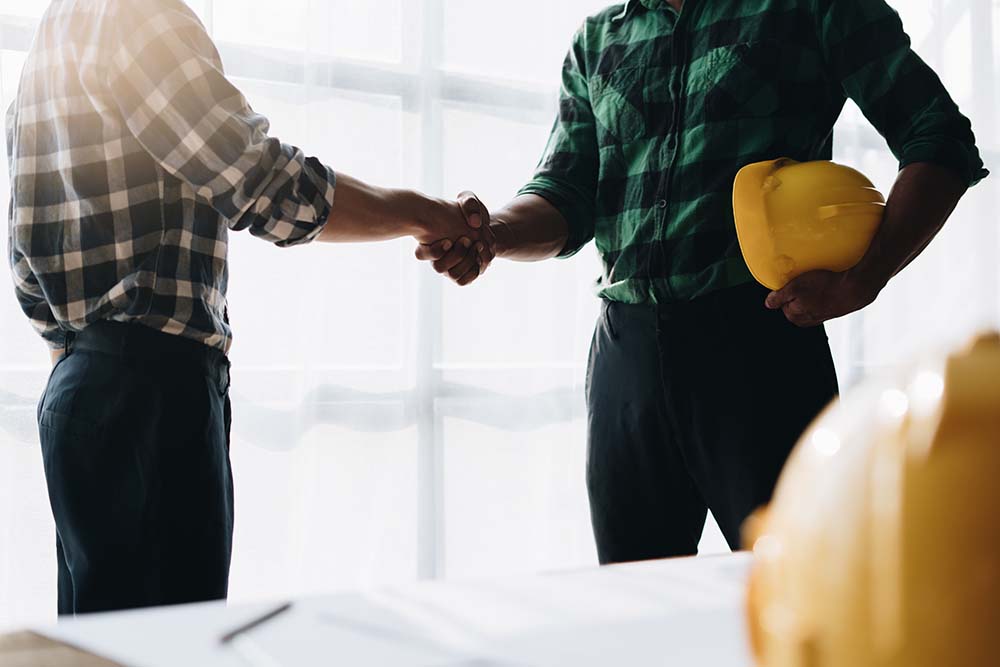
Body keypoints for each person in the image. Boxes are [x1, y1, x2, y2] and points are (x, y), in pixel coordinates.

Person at [421, 0, 988, 564]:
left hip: (759, 345)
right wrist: (490, 233)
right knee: (634, 607)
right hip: (626, 359)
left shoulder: (814, 8)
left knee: (798, 587)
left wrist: (868, 275)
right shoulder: (595, 40)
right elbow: (566, 195)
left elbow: (938, 135)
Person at [6, 0, 490, 615]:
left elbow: (25, 256)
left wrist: (84, 373)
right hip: (150, 388)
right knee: (172, 645)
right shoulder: (139, 18)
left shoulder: (52, 37)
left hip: (76, 389)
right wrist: (422, 213)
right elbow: (262, 183)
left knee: (100, 646)